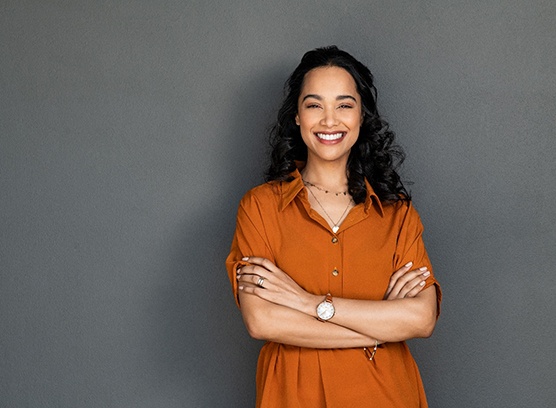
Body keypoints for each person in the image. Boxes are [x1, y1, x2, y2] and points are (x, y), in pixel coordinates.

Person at [226, 45, 441, 408]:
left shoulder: (398, 215)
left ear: (361, 116)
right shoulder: (260, 207)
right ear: (296, 116)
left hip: (386, 396)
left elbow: (421, 318)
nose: (329, 121)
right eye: (314, 105)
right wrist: (376, 329)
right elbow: (262, 321)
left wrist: (306, 303)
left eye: (344, 104)